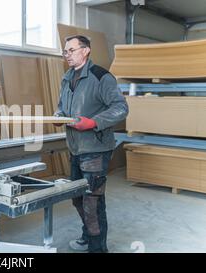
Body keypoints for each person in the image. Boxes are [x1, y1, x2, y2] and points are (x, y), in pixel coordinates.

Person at [53, 35, 128, 253]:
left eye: (71, 50)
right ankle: (87, 237)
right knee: (77, 198)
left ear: (85, 51)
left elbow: (121, 108)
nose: (67, 55)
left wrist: (94, 122)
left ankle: (98, 248)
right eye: (65, 51)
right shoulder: (67, 77)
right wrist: (59, 116)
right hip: (75, 148)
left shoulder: (101, 77)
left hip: (95, 149)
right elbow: (62, 106)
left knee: (92, 202)